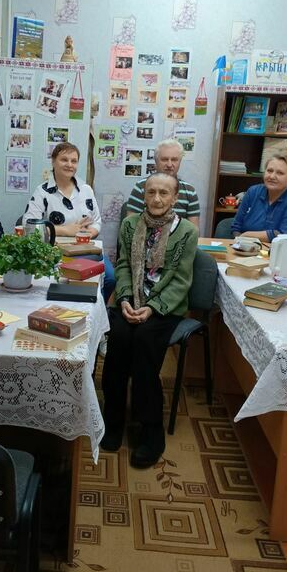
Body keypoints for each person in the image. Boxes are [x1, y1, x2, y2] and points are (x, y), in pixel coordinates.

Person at [101, 173, 198, 468]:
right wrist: (125, 299)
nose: (156, 198)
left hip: (165, 306)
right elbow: (123, 266)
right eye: (151, 192)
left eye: (164, 193)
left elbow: (181, 281)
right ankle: (113, 420)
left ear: (175, 198)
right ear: (144, 195)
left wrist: (152, 308)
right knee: (119, 337)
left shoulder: (186, 232)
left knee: (143, 341)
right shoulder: (130, 225)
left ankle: (151, 429)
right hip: (131, 300)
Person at [23, 141, 115, 303]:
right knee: (62, 281)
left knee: (110, 278)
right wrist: (66, 230)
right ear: (53, 162)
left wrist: (91, 232)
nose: (69, 165)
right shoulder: (42, 192)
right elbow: (28, 226)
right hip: (55, 251)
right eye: (64, 160)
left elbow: (97, 222)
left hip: (85, 249)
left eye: (74, 161)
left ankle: (99, 312)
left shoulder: (86, 190)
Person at [231, 148, 287, 241]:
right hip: (244, 247)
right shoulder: (253, 192)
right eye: (269, 171)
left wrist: (247, 235)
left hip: (277, 249)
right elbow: (236, 226)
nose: (272, 176)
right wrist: (240, 242)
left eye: (280, 173)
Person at [127, 139, 200, 228]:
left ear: (180, 162)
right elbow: (130, 227)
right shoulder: (141, 187)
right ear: (156, 161)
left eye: (174, 160)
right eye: (164, 159)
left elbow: (193, 231)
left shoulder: (190, 191)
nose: (169, 164)